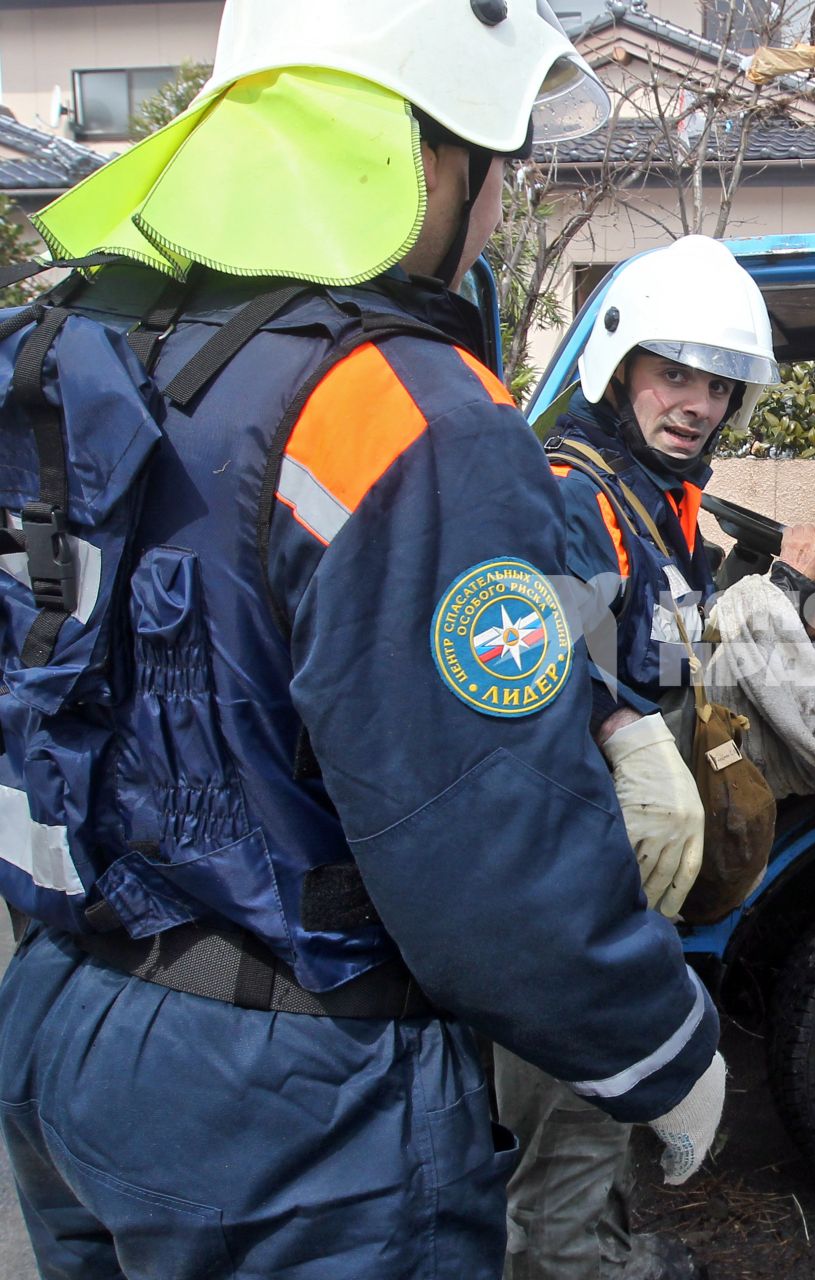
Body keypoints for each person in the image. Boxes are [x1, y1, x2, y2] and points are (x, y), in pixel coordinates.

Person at [0, 3, 723, 1277]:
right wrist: (652, 1042)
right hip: (291, 1105)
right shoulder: (390, 409)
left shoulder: (71, 347)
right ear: (428, 159)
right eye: (497, 167)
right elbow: (488, 842)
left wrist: (598, 697)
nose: (499, 213)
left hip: (61, 1017)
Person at [498, 234, 815, 1280]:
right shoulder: (573, 490)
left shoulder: (658, 501)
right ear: (618, 364)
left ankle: (602, 1241)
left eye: (716, 383)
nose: (694, 401)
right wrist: (618, 729)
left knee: (604, 1080)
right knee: (575, 1079)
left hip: (621, 854)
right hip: (570, 857)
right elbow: (544, 644)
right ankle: (570, 1260)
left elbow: (655, 626)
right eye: (672, 371)